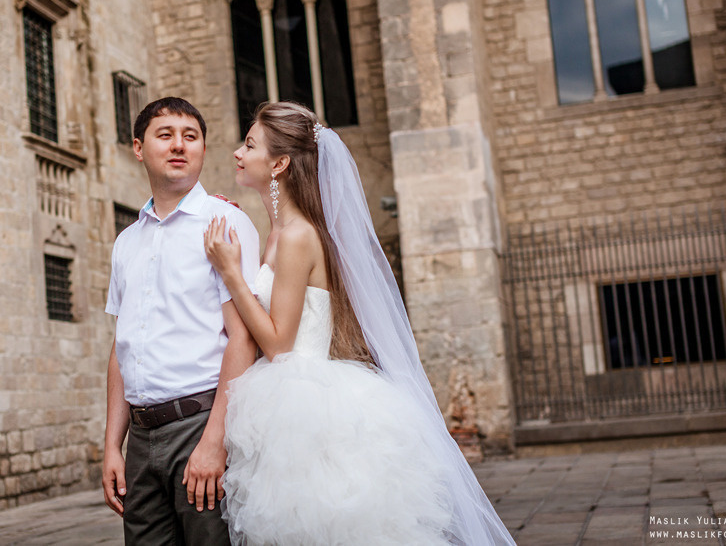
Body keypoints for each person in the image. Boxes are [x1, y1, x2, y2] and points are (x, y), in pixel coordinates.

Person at [203, 101, 516, 545]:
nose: (237, 152)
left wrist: (232, 274)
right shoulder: (281, 231)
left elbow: (278, 344)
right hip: (289, 398)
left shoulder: (296, 236)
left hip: (305, 404)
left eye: (249, 144)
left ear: (279, 163)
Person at [103, 97, 261, 545]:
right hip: (140, 436)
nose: (179, 145)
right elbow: (121, 347)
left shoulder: (225, 222)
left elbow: (243, 339)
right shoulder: (127, 242)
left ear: (203, 150)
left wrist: (214, 441)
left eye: (190, 137)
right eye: (165, 135)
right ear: (138, 147)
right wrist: (113, 444)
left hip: (201, 423)